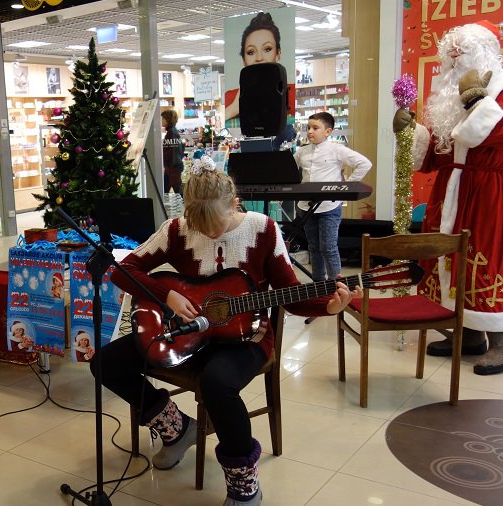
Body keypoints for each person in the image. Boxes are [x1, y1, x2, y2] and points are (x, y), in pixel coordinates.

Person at [90, 162, 360, 505]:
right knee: (107, 362)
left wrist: (329, 307)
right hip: (190, 333)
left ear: (235, 202)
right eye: (200, 227)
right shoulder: (176, 229)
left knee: (217, 383)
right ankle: (177, 428)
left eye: (214, 226)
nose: (210, 234)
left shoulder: (264, 230)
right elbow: (122, 269)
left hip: (248, 338)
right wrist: (167, 295)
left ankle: (244, 485)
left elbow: (290, 295)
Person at [393, 21, 503, 376]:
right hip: (452, 193)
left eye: (463, 49)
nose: (455, 57)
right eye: (451, 52)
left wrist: (477, 102)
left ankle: (501, 344)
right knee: (454, 262)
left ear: (486, 51)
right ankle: (468, 334)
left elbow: (488, 137)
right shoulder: (449, 100)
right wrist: (414, 133)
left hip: (490, 193)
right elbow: (439, 155)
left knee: (488, 261)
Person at [294, 112, 372, 283]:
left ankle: (336, 286)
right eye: (308, 128)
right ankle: (318, 286)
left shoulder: (337, 150)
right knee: (313, 248)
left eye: (315, 128)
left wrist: (346, 186)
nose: (310, 132)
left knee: (328, 247)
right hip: (306, 207)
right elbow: (290, 173)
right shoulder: (301, 152)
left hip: (329, 207)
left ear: (328, 132)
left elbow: (364, 163)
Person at [223, 11, 294, 145]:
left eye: (267, 49)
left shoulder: (289, 94)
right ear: (243, 59)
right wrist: (233, 108)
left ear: (278, 53)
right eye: (251, 52)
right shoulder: (232, 97)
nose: (259, 58)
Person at [161, 109, 184, 195]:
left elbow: (172, 152)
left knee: (177, 191)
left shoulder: (171, 133)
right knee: (172, 191)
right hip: (173, 168)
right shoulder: (173, 132)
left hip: (172, 168)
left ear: (168, 119)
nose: (161, 121)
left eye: (163, 118)